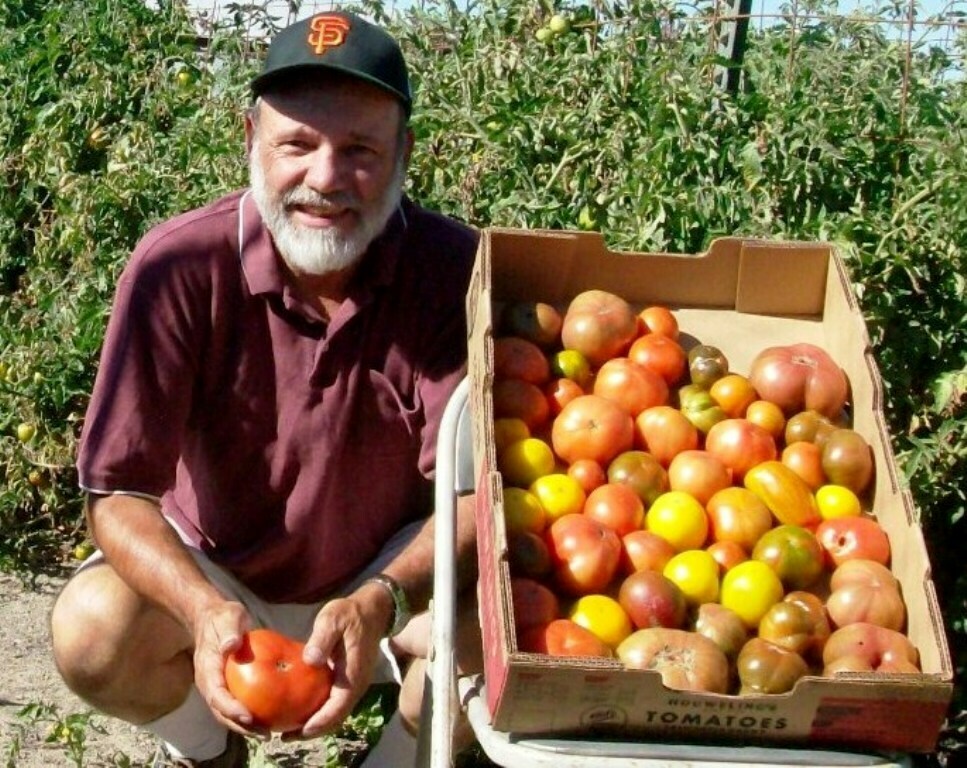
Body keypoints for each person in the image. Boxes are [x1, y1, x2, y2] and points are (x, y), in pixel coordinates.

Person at [49, 11, 481, 768]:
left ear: (405, 153)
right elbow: (117, 494)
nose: (324, 179)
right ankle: (211, 754)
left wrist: (379, 598)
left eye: (359, 151)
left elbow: (482, 497)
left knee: (508, 634)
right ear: (249, 140)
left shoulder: (456, 275)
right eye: (297, 145)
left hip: (386, 580)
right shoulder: (178, 268)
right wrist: (203, 608)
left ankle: (392, 757)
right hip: (220, 574)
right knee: (92, 630)